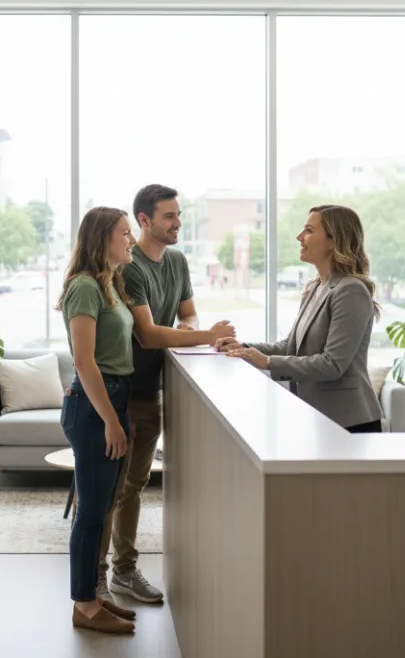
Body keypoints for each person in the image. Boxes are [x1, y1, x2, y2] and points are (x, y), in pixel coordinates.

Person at [98, 184, 237, 606]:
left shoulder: (176, 260)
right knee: (111, 489)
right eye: (169, 217)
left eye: (179, 215)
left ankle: (123, 570)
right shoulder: (131, 266)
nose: (178, 224)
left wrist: (195, 331)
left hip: (153, 392)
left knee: (135, 486)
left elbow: (186, 311)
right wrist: (207, 335)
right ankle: (96, 577)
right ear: (145, 221)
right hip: (125, 393)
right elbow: (148, 332)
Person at [218, 204, 384, 433]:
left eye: (308, 230)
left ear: (334, 240)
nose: (300, 237)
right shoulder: (315, 287)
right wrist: (244, 348)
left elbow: (332, 364)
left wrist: (267, 362)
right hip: (318, 417)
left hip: (349, 423)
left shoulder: (350, 290)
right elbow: (291, 346)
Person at [57, 206, 138, 634]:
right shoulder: (85, 287)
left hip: (111, 400)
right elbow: (85, 362)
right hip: (93, 406)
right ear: (102, 237)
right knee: (90, 512)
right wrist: (111, 420)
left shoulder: (109, 284)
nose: (131, 240)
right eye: (125, 233)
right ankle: (84, 605)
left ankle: (92, 596)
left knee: (100, 507)